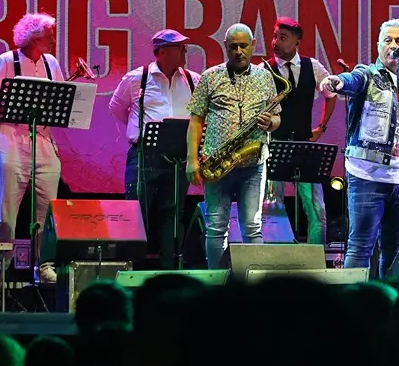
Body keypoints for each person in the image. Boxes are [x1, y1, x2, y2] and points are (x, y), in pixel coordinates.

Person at [320, 18, 399, 276]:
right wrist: (337, 82)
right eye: (388, 40)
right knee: (360, 246)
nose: (393, 45)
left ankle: (389, 299)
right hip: (366, 176)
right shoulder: (368, 74)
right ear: (378, 46)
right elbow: (352, 80)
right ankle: (352, 299)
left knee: (395, 250)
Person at [186, 24, 281, 270]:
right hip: (218, 164)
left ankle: (253, 282)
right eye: (233, 47)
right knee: (216, 227)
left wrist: (271, 122)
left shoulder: (265, 77)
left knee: (252, 227)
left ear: (253, 45)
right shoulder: (210, 77)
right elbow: (195, 121)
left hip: (253, 164)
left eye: (243, 46)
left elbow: (277, 117)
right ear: (225, 47)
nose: (238, 51)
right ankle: (216, 281)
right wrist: (192, 160)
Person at [0, 13, 63, 283]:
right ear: (35, 38)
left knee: (47, 211)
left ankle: (44, 265)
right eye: (49, 35)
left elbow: (61, 100)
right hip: (12, 141)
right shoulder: (6, 61)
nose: (53, 40)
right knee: (6, 211)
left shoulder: (51, 63)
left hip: (44, 142)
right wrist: (16, 109)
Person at [108, 29, 201, 269]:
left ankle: (170, 270)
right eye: (179, 47)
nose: (184, 51)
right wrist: (136, 131)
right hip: (144, 155)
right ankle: (132, 270)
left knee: (173, 214)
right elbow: (116, 108)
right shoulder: (136, 78)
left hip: (178, 156)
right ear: (162, 52)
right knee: (136, 214)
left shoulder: (194, 79)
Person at [262, 17, 337, 245]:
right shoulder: (263, 70)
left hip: (304, 148)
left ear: (297, 42)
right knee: (272, 211)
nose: (275, 42)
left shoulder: (312, 66)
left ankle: (316, 259)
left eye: (282, 38)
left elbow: (331, 94)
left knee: (317, 211)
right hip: (273, 147)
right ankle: (276, 257)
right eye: (274, 36)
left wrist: (321, 127)